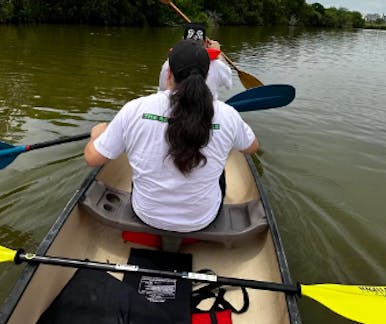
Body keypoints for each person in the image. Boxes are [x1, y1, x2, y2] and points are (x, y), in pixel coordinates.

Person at [84, 40, 259, 233]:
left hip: (146, 214)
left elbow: (93, 159)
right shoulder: (228, 114)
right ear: (206, 75)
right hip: (202, 219)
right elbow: (252, 147)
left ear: (168, 74)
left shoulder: (135, 109)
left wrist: (96, 135)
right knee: (221, 168)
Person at [158, 23, 232, 100]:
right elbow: (228, 85)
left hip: (176, 108)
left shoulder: (169, 63)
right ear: (206, 43)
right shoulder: (218, 65)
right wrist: (218, 54)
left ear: (182, 40)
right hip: (208, 109)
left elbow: (162, 90)